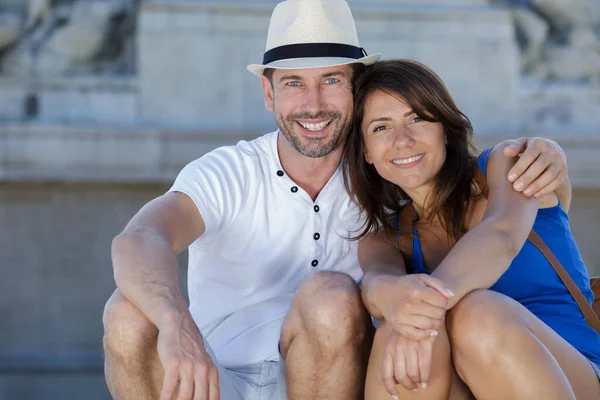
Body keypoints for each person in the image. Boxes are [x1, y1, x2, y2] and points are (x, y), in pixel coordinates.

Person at [102, 1, 573, 399]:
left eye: (330, 80)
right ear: (268, 92)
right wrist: (175, 322)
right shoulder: (233, 172)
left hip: (332, 377)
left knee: (349, 302)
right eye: (293, 83)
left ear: (354, 89)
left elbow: (502, 228)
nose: (313, 104)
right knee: (126, 314)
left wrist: (553, 158)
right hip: (213, 375)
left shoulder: (400, 184)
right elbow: (141, 237)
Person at [343, 59, 600, 400]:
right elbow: (377, 286)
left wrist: (420, 307)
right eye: (381, 128)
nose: (402, 140)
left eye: (416, 118)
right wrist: (399, 305)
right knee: (400, 325)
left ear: (445, 129)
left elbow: (500, 236)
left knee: (469, 313)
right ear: (367, 153)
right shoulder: (387, 239)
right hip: (468, 387)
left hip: (575, 374)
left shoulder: (506, 166)